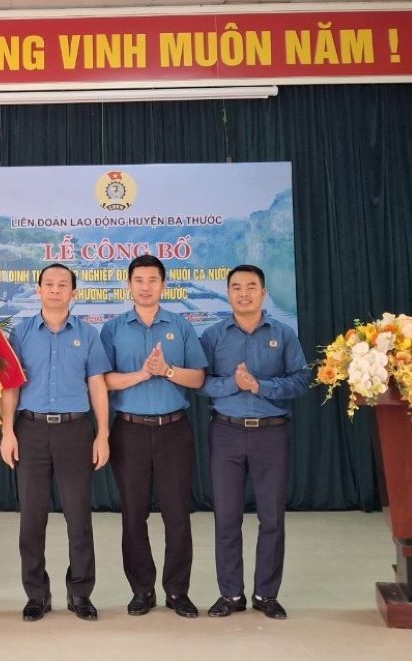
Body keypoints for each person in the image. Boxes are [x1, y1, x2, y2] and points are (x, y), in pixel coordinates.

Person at [0, 265, 111, 622]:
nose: (56, 289)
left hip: (75, 432)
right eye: (49, 284)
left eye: (63, 285)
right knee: (32, 518)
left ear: (73, 293)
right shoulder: (21, 333)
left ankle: (80, 593)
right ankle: (36, 595)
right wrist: (7, 431)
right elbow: (11, 386)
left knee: (78, 518)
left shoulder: (89, 334)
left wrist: (103, 434)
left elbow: (97, 385)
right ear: (39, 290)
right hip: (30, 432)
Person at [199, 265, 309, 620]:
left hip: (271, 434)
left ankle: (266, 595)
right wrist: (235, 383)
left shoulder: (284, 334)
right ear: (228, 293)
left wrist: (260, 386)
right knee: (227, 517)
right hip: (226, 432)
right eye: (236, 287)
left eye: (251, 287)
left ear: (263, 293)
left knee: (272, 517)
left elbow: (301, 381)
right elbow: (201, 383)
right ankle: (230, 595)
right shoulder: (214, 336)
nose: (243, 293)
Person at [100, 255, 207, 618]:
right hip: (129, 431)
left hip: (174, 430)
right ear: (128, 285)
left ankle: (178, 591)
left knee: (177, 514)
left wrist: (167, 370)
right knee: (134, 514)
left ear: (163, 285)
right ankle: (142, 590)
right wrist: (142, 375)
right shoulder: (113, 329)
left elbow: (199, 378)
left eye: (152, 280)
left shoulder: (181, 326)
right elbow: (103, 381)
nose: (145, 286)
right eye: (139, 280)